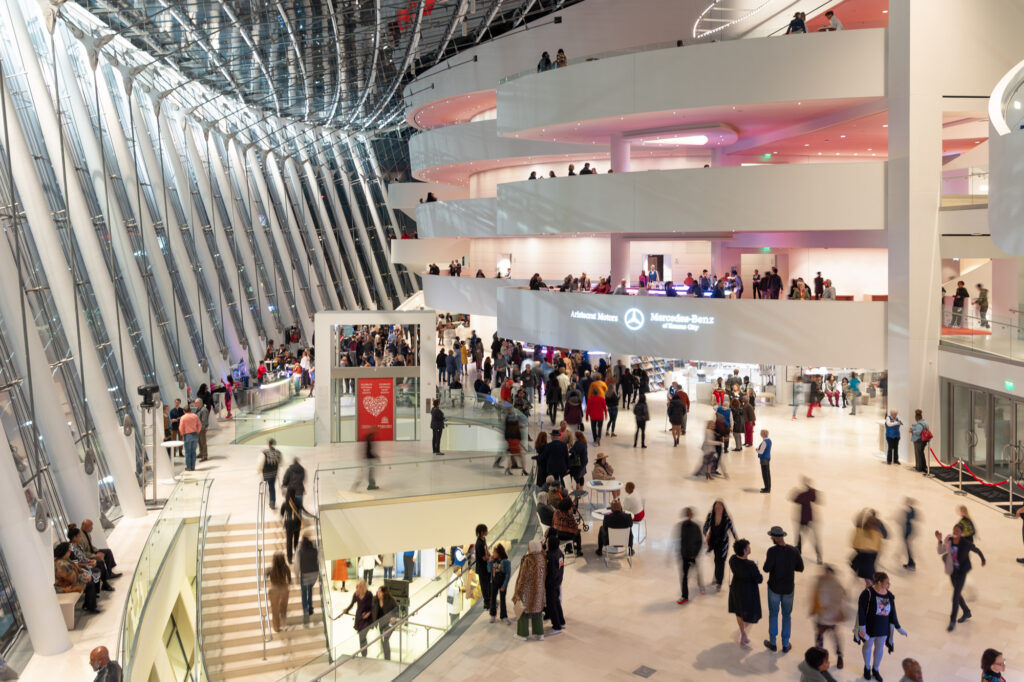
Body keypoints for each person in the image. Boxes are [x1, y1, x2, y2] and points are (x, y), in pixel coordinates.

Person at [857, 572, 907, 681]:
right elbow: (861, 611)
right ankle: (867, 667)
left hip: (883, 628)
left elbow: (893, 613)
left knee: (879, 649)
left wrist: (899, 628)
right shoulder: (868, 593)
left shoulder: (889, 595)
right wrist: (862, 627)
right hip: (870, 627)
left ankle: (875, 669)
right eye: (887, 583)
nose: (889, 585)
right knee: (867, 647)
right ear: (879, 582)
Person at [936, 523, 985, 631]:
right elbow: (941, 551)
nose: (955, 533)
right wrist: (939, 540)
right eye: (954, 531)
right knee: (957, 594)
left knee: (955, 597)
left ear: (961, 533)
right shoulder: (950, 540)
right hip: (953, 571)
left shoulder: (966, 543)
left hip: (961, 572)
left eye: (957, 531)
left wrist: (983, 559)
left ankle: (952, 621)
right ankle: (967, 612)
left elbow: (977, 550)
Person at [763, 525, 803, 653]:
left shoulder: (772, 551)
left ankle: (773, 643)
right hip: (788, 589)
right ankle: (785, 644)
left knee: (773, 614)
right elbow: (800, 567)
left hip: (774, 588)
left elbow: (766, 569)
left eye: (771, 536)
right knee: (787, 615)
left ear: (774, 538)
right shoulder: (793, 550)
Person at [810, 565, 846, 671]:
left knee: (822, 637)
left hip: (825, 617)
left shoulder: (823, 582)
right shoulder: (835, 583)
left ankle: (822, 658)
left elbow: (817, 598)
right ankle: (837, 658)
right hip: (829, 617)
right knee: (831, 637)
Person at [728, 539, 762, 647]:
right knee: (749, 614)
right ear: (745, 550)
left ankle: (742, 632)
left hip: (736, 588)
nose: (750, 548)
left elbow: (743, 563)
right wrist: (755, 565)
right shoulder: (751, 566)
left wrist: (753, 563)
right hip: (748, 592)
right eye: (748, 547)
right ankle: (743, 634)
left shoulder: (732, 559)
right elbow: (759, 579)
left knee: (738, 612)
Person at [512, 540, 547, 641]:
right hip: (539, 590)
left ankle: (522, 635)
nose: (527, 548)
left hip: (527, 591)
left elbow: (523, 577)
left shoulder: (528, 560)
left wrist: (518, 591)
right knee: (537, 611)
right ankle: (540, 634)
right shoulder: (542, 558)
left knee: (523, 611)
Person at [54, 541, 99, 613]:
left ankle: (88, 604)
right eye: (69, 550)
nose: (70, 552)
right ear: (64, 551)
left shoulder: (63, 560)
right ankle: (91, 607)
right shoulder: (62, 564)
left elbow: (75, 573)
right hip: (64, 587)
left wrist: (83, 575)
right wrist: (86, 578)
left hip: (67, 583)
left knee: (90, 579)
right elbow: (72, 579)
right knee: (90, 583)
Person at [703, 500, 737, 592]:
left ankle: (719, 582)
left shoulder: (726, 518)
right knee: (716, 560)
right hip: (714, 543)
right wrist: (706, 533)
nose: (718, 509)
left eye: (720, 508)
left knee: (721, 562)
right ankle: (717, 577)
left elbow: (732, 530)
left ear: (723, 508)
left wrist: (737, 541)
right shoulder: (711, 516)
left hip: (723, 544)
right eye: (716, 508)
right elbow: (705, 527)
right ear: (714, 508)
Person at [852, 509, 887, 587]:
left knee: (864, 568)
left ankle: (872, 586)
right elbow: (886, 535)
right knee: (869, 568)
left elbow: (858, 528)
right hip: (874, 550)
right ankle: (871, 584)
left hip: (864, 550)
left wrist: (860, 515)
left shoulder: (866, 522)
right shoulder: (879, 523)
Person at [793, 478, 822, 564]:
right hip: (809, 518)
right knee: (813, 539)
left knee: (800, 538)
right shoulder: (810, 493)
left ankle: (798, 554)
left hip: (803, 518)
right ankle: (819, 557)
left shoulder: (803, 494)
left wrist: (797, 492)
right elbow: (815, 500)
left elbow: (795, 500)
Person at [342, 580, 374, 655]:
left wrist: (369, 613)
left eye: (359, 587)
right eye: (357, 587)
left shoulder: (369, 594)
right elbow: (352, 604)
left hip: (367, 618)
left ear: (363, 587)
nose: (357, 588)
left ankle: (364, 653)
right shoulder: (356, 594)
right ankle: (363, 653)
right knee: (361, 636)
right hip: (359, 617)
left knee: (363, 635)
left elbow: (373, 606)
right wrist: (346, 609)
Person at [543, 527, 565, 634]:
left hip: (551, 584)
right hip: (558, 581)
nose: (545, 543)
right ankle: (561, 621)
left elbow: (550, 572)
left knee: (551, 604)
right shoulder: (559, 552)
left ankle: (556, 626)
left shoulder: (550, 556)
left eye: (547, 542)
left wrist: (546, 583)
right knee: (556, 602)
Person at [266, 551, 291, 633]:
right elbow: (289, 579)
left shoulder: (270, 569)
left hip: (274, 590)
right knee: (283, 608)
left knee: (274, 610)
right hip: (284, 589)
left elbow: (264, 577)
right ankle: (284, 625)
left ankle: (276, 628)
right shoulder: (286, 568)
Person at [297, 535, 319, 623]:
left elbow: (297, 565)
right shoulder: (315, 550)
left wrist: (296, 574)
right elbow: (319, 560)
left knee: (304, 593)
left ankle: (305, 611)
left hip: (305, 575)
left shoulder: (300, 552)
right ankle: (310, 608)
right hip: (313, 574)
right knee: (310, 590)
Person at [372, 586, 398, 659]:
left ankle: (387, 658)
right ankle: (386, 656)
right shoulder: (375, 599)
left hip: (390, 624)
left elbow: (396, 611)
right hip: (381, 623)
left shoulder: (390, 600)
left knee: (385, 639)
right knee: (383, 640)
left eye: (380, 592)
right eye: (378, 591)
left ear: (384, 593)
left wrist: (394, 617)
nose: (378, 593)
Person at [488, 544, 511, 623]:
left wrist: (504, 586)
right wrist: (489, 562)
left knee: (502, 599)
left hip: (502, 583)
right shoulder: (495, 561)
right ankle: (492, 615)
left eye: (494, 552)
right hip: (494, 582)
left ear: (499, 553)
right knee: (493, 599)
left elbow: (508, 575)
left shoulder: (506, 562)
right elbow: (490, 570)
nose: (493, 554)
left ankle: (503, 616)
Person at [259, 438, 282, 509]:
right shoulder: (278, 453)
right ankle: (272, 502)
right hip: (274, 474)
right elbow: (280, 462)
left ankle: (264, 501)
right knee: (272, 488)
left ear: (268, 444)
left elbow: (260, 463)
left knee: (265, 487)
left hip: (266, 474)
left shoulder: (264, 452)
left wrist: (258, 471)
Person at [177, 405, 201, 471]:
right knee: (193, 451)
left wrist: (182, 433)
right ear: (190, 410)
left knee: (188, 452)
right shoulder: (195, 416)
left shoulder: (183, 417)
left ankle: (188, 467)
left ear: (184, 411)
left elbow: (180, 427)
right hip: (195, 434)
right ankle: (193, 466)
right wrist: (198, 431)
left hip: (187, 435)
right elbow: (199, 424)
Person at [474, 523, 491, 613]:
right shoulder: (479, 544)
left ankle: (490, 600)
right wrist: (491, 558)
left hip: (486, 567)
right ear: (482, 532)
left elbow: (486, 550)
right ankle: (486, 603)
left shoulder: (483, 540)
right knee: (484, 585)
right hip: (482, 568)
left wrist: (490, 555)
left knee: (488, 583)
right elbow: (483, 557)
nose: (487, 531)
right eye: (486, 530)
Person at [902, 498, 917, 570]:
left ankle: (911, 563)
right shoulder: (912, 510)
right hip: (909, 529)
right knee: (907, 547)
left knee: (908, 547)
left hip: (908, 530)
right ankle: (911, 562)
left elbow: (907, 519)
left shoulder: (909, 510)